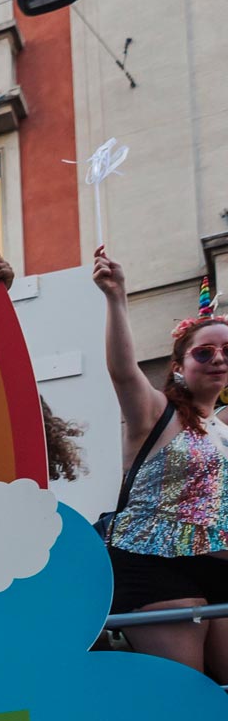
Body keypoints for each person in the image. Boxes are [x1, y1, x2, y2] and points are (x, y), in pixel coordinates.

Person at [96, 247, 228, 680]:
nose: (218, 359)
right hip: (150, 562)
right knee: (186, 692)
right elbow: (122, 371)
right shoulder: (155, 412)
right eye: (204, 353)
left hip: (215, 564)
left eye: (227, 351)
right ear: (179, 367)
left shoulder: (223, 427)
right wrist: (116, 296)